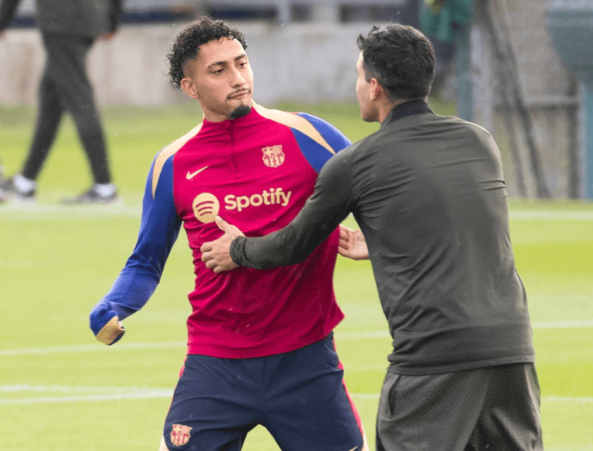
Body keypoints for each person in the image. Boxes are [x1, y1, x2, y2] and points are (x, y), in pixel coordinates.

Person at [202, 24, 544, 451]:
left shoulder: (356, 165)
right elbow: (459, 218)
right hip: (512, 350)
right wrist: (385, 241)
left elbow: (293, 245)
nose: (357, 86)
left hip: (434, 357)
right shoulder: (479, 141)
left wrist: (238, 249)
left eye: (358, 75)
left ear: (375, 87)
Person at [88, 17, 366, 451]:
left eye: (242, 63)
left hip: (306, 360)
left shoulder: (310, 135)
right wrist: (116, 302)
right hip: (215, 363)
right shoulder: (172, 164)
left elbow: (385, 197)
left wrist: (379, 240)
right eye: (219, 71)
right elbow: (146, 260)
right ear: (190, 87)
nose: (238, 79)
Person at [0, 0, 122, 204]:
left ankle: (104, 187)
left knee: (80, 99)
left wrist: (2, 20)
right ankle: (25, 183)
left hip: (61, 20)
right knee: (51, 97)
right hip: (91, 15)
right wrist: (112, 19)